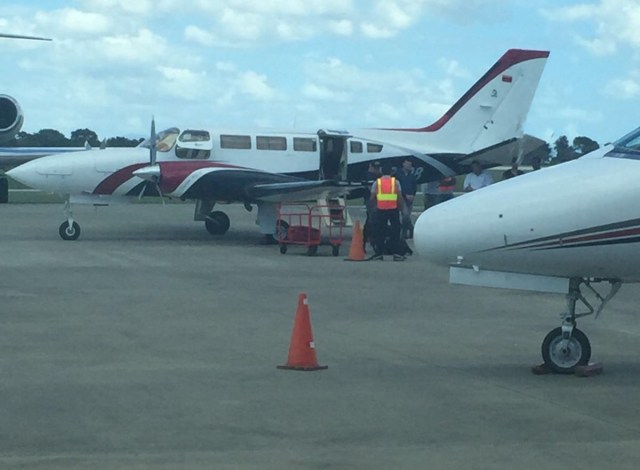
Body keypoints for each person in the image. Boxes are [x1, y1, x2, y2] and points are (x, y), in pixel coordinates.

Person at [368, 167, 406, 261]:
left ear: (381, 171)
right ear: (392, 172)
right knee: (395, 231)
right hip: (393, 209)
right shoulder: (395, 182)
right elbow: (399, 197)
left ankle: (379, 253)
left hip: (381, 209)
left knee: (380, 231)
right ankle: (396, 253)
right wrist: (401, 208)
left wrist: (372, 207)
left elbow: (372, 197)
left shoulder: (377, 182)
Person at [395, 158, 417, 238]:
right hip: (402, 197)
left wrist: (413, 195)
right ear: (403, 164)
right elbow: (398, 187)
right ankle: (407, 230)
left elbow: (414, 186)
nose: (409, 166)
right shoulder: (398, 175)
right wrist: (405, 195)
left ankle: (410, 229)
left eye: (410, 165)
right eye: (407, 164)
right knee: (405, 214)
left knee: (407, 215)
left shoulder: (412, 176)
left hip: (410, 197)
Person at [362, 161, 381, 252]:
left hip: (375, 201)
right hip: (371, 201)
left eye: (377, 168)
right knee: (372, 222)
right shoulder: (368, 176)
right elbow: (371, 191)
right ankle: (370, 241)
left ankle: (367, 241)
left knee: (371, 221)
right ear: (370, 166)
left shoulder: (377, 176)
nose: (376, 170)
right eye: (375, 168)